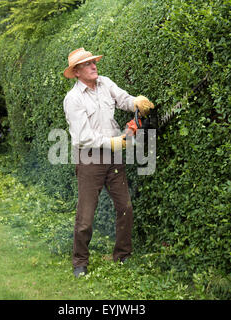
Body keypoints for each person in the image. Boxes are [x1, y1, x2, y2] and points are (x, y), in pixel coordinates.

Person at [63, 48, 154, 278]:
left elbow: (123, 99)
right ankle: (80, 262)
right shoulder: (73, 99)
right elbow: (83, 137)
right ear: (76, 72)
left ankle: (123, 255)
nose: (94, 66)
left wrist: (137, 103)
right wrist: (115, 142)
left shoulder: (105, 83)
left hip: (114, 158)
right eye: (87, 64)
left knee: (125, 208)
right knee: (85, 217)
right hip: (89, 160)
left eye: (94, 62)